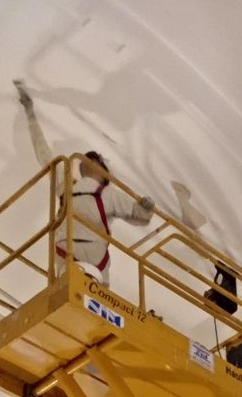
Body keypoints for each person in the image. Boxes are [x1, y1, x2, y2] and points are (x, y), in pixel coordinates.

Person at [15, 82, 155, 284]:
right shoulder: (66, 185)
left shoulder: (110, 194)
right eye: (88, 160)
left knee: (93, 305)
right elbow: (43, 153)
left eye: (95, 160)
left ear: (104, 173)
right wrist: (30, 114)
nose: (89, 162)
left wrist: (147, 207)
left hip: (95, 263)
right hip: (67, 256)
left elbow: (140, 215)